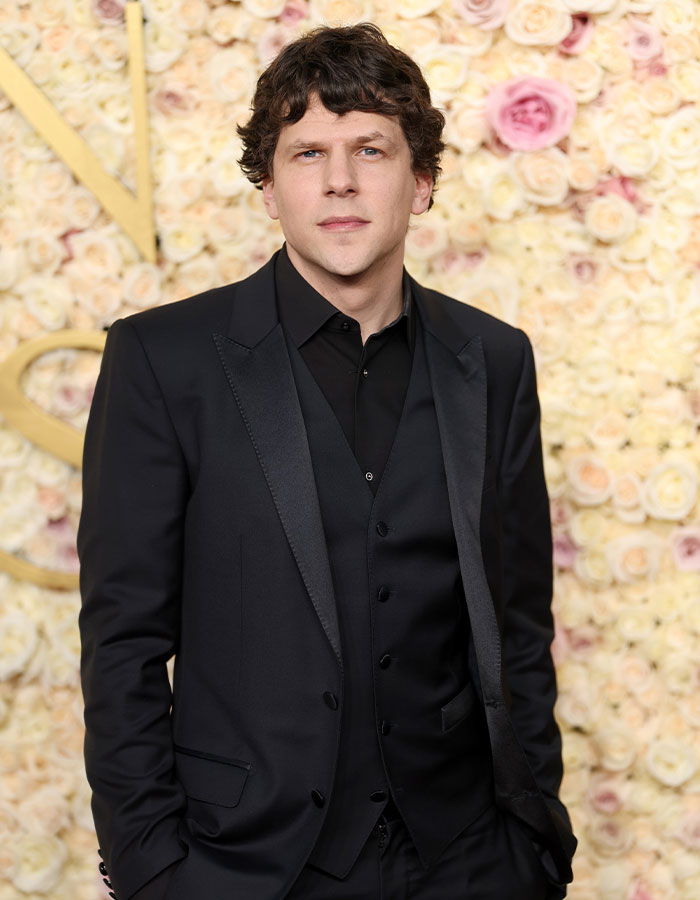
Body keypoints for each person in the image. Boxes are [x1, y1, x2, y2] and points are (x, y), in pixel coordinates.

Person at [78, 22, 576, 900]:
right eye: (307, 152)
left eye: (370, 148)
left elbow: (520, 625)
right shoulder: (164, 360)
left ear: (422, 180)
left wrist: (533, 843)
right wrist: (155, 869)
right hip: (242, 866)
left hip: (466, 863)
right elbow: (122, 640)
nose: (339, 180)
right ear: (269, 186)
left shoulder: (495, 359)